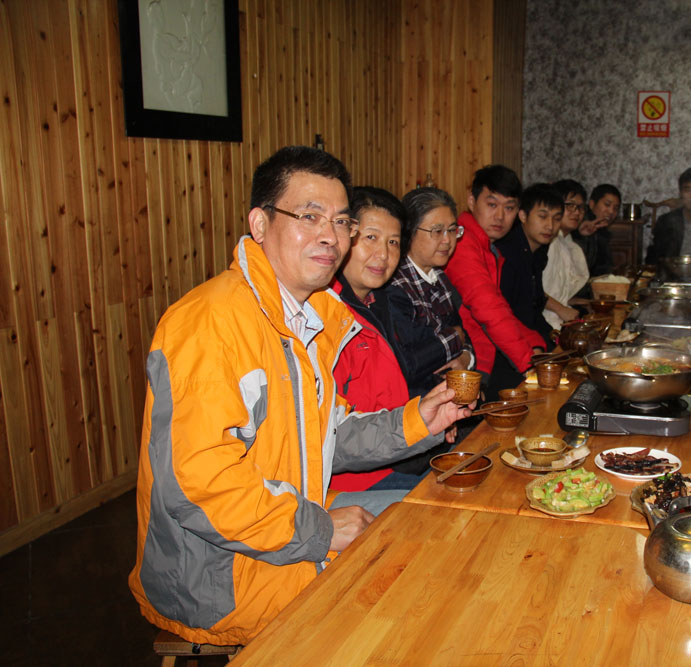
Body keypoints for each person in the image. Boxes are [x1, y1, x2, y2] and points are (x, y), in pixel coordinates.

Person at [129, 146, 471, 646]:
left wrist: (420, 419)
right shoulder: (210, 324)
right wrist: (321, 530)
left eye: (340, 221)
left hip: (288, 529)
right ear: (260, 224)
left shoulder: (308, 320)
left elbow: (332, 433)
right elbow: (198, 485)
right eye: (309, 217)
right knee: (422, 601)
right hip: (221, 580)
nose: (330, 236)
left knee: (445, 519)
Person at [331, 186, 437, 492]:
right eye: (371, 238)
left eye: (393, 242)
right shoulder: (327, 313)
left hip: (394, 453)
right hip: (352, 479)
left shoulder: (380, 301)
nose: (383, 255)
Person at [445, 165, 546, 391]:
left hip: (482, 356)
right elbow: (489, 310)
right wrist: (528, 363)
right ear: (472, 201)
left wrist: (534, 344)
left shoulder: (487, 247)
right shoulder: (462, 243)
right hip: (466, 364)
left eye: (509, 207)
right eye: (492, 205)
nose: (500, 216)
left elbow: (500, 308)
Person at [389, 187, 474, 398]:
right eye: (437, 231)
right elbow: (412, 362)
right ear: (409, 231)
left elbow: (463, 334)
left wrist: (465, 357)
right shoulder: (394, 285)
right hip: (414, 401)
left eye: (452, 230)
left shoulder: (439, 277)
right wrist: (455, 337)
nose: (447, 240)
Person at [492, 183, 562, 397]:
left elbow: (534, 307)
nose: (550, 225)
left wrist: (556, 340)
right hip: (501, 351)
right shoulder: (508, 252)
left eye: (556, 218)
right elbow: (506, 316)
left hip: (527, 341)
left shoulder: (537, 252)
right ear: (522, 215)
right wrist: (538, 349)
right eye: (542, 216)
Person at [542, 179, 590, 328]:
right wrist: (561, 309)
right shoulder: (546, 241)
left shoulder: (569, 243)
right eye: (570, 205)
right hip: (542, 324)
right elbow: (531, 289)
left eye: (580, 207)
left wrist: (576, 302)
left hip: (558, 323)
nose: (576, 212)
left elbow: (557, 291)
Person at [574, 183, 620, 276]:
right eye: (607, 205)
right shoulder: (579, 225)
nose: (611, 211)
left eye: (616, 208)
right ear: (592, 204)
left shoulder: (601, 229)